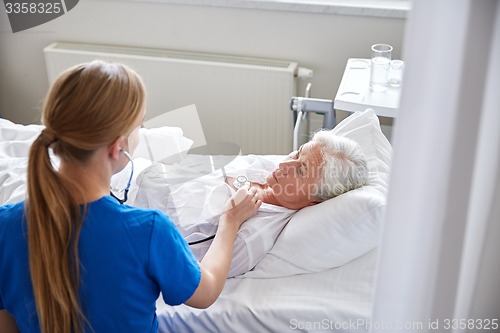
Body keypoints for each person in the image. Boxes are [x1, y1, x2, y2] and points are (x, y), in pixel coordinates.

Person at [0, 60, 260, 333]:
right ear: (117, 148)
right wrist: (230, 220)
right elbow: (205, 293)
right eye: (139, 125)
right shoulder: (148, 230)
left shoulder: (5, 227)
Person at [134, 131, 369, 277]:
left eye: (300, 170)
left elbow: (190, 271)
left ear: (313, 201)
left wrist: (230, 219)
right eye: (297, 153)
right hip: (149, 167)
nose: (285, 165)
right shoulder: (269, 171)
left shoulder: (252, 236)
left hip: (127, 202)